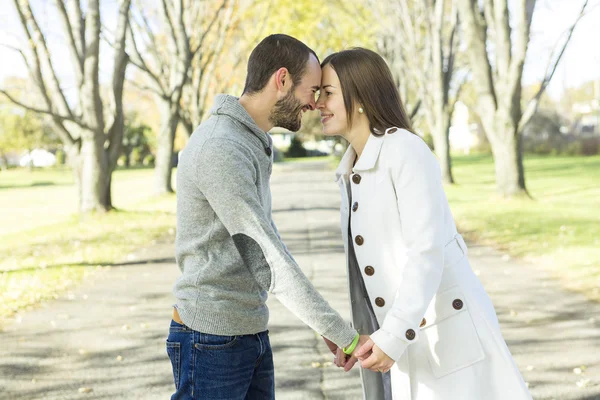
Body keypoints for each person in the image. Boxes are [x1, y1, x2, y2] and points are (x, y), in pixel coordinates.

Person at [316, 48, 532, 400]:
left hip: (448, 338)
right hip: (409, 339)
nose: (317, 104)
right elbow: (371, 271)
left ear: (360, 97)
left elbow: (426, 252)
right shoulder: (352, 170)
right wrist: (358, 336)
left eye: (327, 93)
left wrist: (394, 334)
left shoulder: (404, 151)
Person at [166, 34, 367, 400]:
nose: (316, 102)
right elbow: (265, 258)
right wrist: (342, 333)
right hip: (210, 339)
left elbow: (269, 240)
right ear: (282, 80)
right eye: (314, 89)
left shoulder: (249, 141)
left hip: (247, 331)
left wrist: (319, 321)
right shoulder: (221, 147)